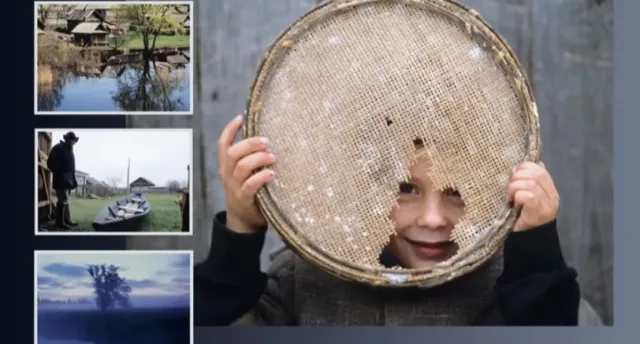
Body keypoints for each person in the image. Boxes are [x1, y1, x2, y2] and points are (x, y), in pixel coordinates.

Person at [194, 115, 580, 326]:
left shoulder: (514, 286)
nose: (433, 219)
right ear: (365, 188)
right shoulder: (303, 281)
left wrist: (536, 256)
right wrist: (241, 230)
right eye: (406, 189)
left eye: (456, 191)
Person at [47, 131, 80, 229]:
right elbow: (50, 164)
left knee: (66, 200)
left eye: (74, 141)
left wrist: (72, 179)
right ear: (68, 140)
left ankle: (67, 219)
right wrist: (61, 172)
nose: (73, 143)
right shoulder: (58, 148)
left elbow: (71, 167)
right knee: (62, 200)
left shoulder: (69, 150)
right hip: (60, 179)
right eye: (72, 141)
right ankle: (59, 223)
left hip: (68, 180)